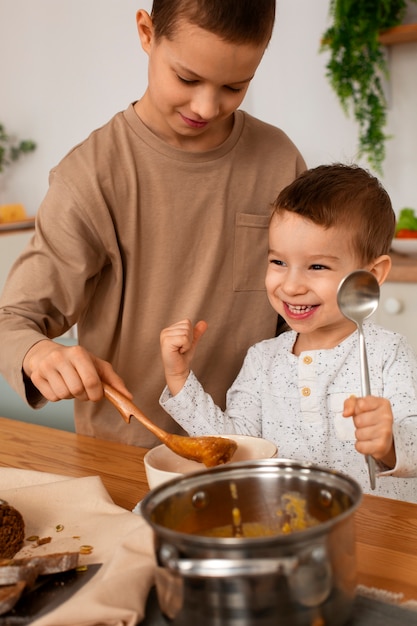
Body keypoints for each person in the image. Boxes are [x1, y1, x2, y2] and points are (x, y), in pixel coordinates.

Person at [0, 0, 306, 447]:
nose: (206, 106)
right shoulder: (90, 176)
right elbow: (14, 320)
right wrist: (38, 353)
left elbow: (299, 322)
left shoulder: (280, 160)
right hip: (125, 457)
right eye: (187, 78)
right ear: (147, 33)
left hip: (257, 453)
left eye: (234, 87)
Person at [159, 163, 417, 501]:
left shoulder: (388, 352)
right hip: (285, 526)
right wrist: (180, 380)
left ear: (372, 274)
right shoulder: (262, 360)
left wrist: (391, 445)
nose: (291, 285)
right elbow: (235, 450)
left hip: (379, 533)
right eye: (278, 262)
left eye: (317, 266)